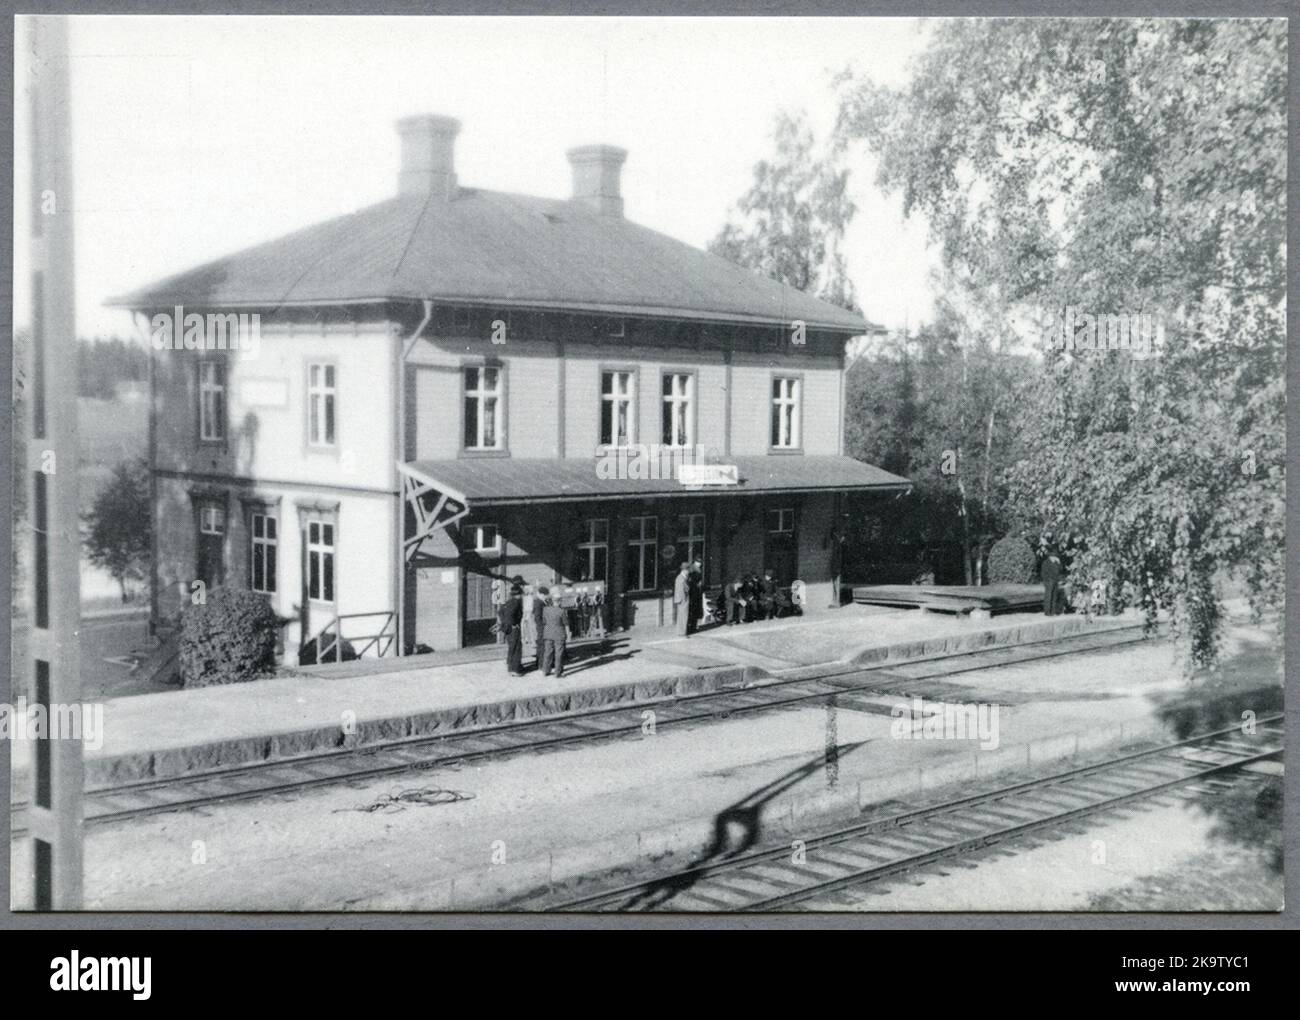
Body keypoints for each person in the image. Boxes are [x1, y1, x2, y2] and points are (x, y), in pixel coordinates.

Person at [540, 593, 568, 677]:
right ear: (559, 602)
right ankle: (557, 672)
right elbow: (566, 623)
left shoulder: (545, 610)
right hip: (559, 634)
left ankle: (545, 670)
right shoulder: (562, 611)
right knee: (558, 653)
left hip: (548, 633)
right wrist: (568, 634)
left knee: (548, 652)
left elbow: (544, 621)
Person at [502, 581, 525, 675]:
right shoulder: (516, 602)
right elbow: (511, 615)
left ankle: (512, 665)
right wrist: (513, 624)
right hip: (513, 629)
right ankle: (514, 669)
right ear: (518, 594)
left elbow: (500, 612)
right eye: (521, 594)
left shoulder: (508, 602)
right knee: (517, 648)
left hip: (508, 629)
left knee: (512, 647)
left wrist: (505, 623)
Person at [1040, 545, 1064, 616]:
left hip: (1055, 581)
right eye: (1054, 557)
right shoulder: (1046, 563)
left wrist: (1059, 563)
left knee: (1054, 596)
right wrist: (1046, 581)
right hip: (1049, 581)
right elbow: (1043, 573)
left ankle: (1052, 611)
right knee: (1048, 596)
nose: (1056, 558)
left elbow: (1060, 570)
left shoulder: (1056, 563)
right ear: (1051, 557)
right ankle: (1047, 612)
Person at [530, 584, 549, 669]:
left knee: (541, 645)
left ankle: (540, 663)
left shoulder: (541, 601)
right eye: (545, 595)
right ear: (541, 594)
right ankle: (541, 664)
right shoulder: (538, 603)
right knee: (542, 645)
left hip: (542, 627)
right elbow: (537, 617)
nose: (546, 597)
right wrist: (543, 626)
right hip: (542, 627)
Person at [672, 561, 691, 636]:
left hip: (683, 599)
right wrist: (684, 600)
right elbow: (680, 591)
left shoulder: (683, 577)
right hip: (683, 599)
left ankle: (682, 631)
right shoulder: (680, 578)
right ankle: (682, 632)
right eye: (687, 570)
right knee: (683, 616)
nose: (688, 572)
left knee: (683, 615)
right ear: (684, 570)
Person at [687, 558, 705, 634]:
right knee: (692, 611)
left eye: (700, 563)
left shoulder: (698, 569)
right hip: (693, 593)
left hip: (697, 593)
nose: (700, 564)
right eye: (698, 562)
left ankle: (694, 626)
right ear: (695, 562)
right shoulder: (692, 569)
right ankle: (690, 627)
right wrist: (696, 585)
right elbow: (690, 581)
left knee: (696, 611)